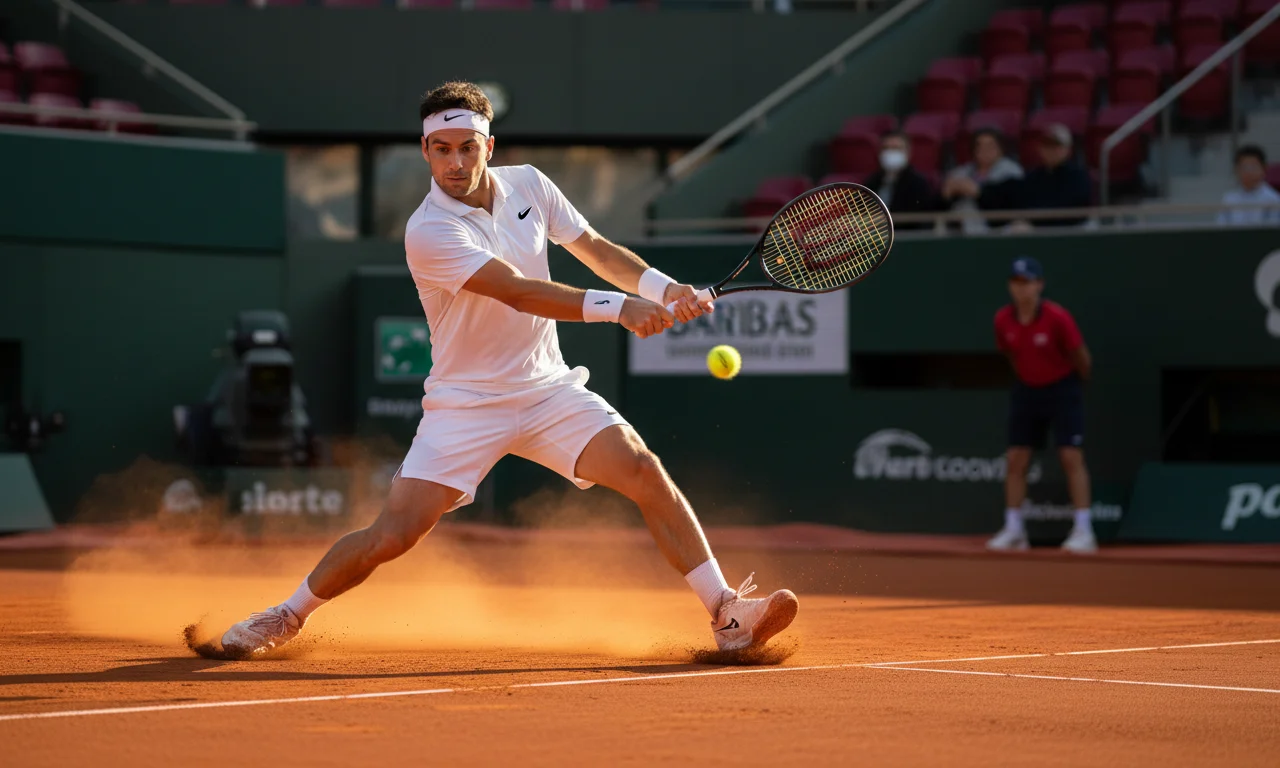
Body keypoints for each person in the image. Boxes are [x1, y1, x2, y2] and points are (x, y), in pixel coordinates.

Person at [219, 81, 798, 657]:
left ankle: (727, 614)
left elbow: (593, 246)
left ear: (489, 146)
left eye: (466, 147)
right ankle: (287, 613)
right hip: (465, 402)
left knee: (644, 470)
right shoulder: (428, 230)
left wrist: (665, 288)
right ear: (425, 151)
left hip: (548, 388)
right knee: (390, 537)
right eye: (441, 149)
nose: (454, 161)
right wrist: (621, 308)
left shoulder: (530, 185)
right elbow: (517, 292)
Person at [987, 257, 1097, 555]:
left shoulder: (1057, 317)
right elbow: (1010, 354)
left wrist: (1071, 387)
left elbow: (1082, 358)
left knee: (1070, 456)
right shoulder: (1002, 320)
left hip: (1063, 389)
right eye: (1016, 282)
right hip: (1026, 390)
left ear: (1040, 285)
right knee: (1016, 459)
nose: (1021, 289)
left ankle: (1084, 530)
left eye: (1027, 282)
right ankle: (1014, 530)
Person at [1005, 124, 1092, 229]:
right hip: (1040, 232)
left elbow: (1070, 208)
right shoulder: (1035, 176)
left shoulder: (1078, 176)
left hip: (1071, 232)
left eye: (1056, 146)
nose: (1051, 151)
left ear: (1068, 150)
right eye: (1047, 146)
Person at [940, 127, 1024, 234]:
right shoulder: (962, 172)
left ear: (1000, 149)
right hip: (962, 229)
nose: (985, 150)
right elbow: (940, 203)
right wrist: (946, 194)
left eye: (990, 145)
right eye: (979, 146)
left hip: (999, 229)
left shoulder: (1011, 172)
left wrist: (978, 192)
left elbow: (1007, 206)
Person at [863, 131, 941, 228]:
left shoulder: (918, 184)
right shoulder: (871, 183)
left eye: (896, 149)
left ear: (908, 153)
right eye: (886, 148)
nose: (891, 153)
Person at [1218, 145, 1280, 226]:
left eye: (1253, 167)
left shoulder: (1273, 199)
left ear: (1264, 169)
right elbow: (1220, 227)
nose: (1249, 172)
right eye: (1244, 167)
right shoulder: (1228, 199)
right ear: (1236, 170)